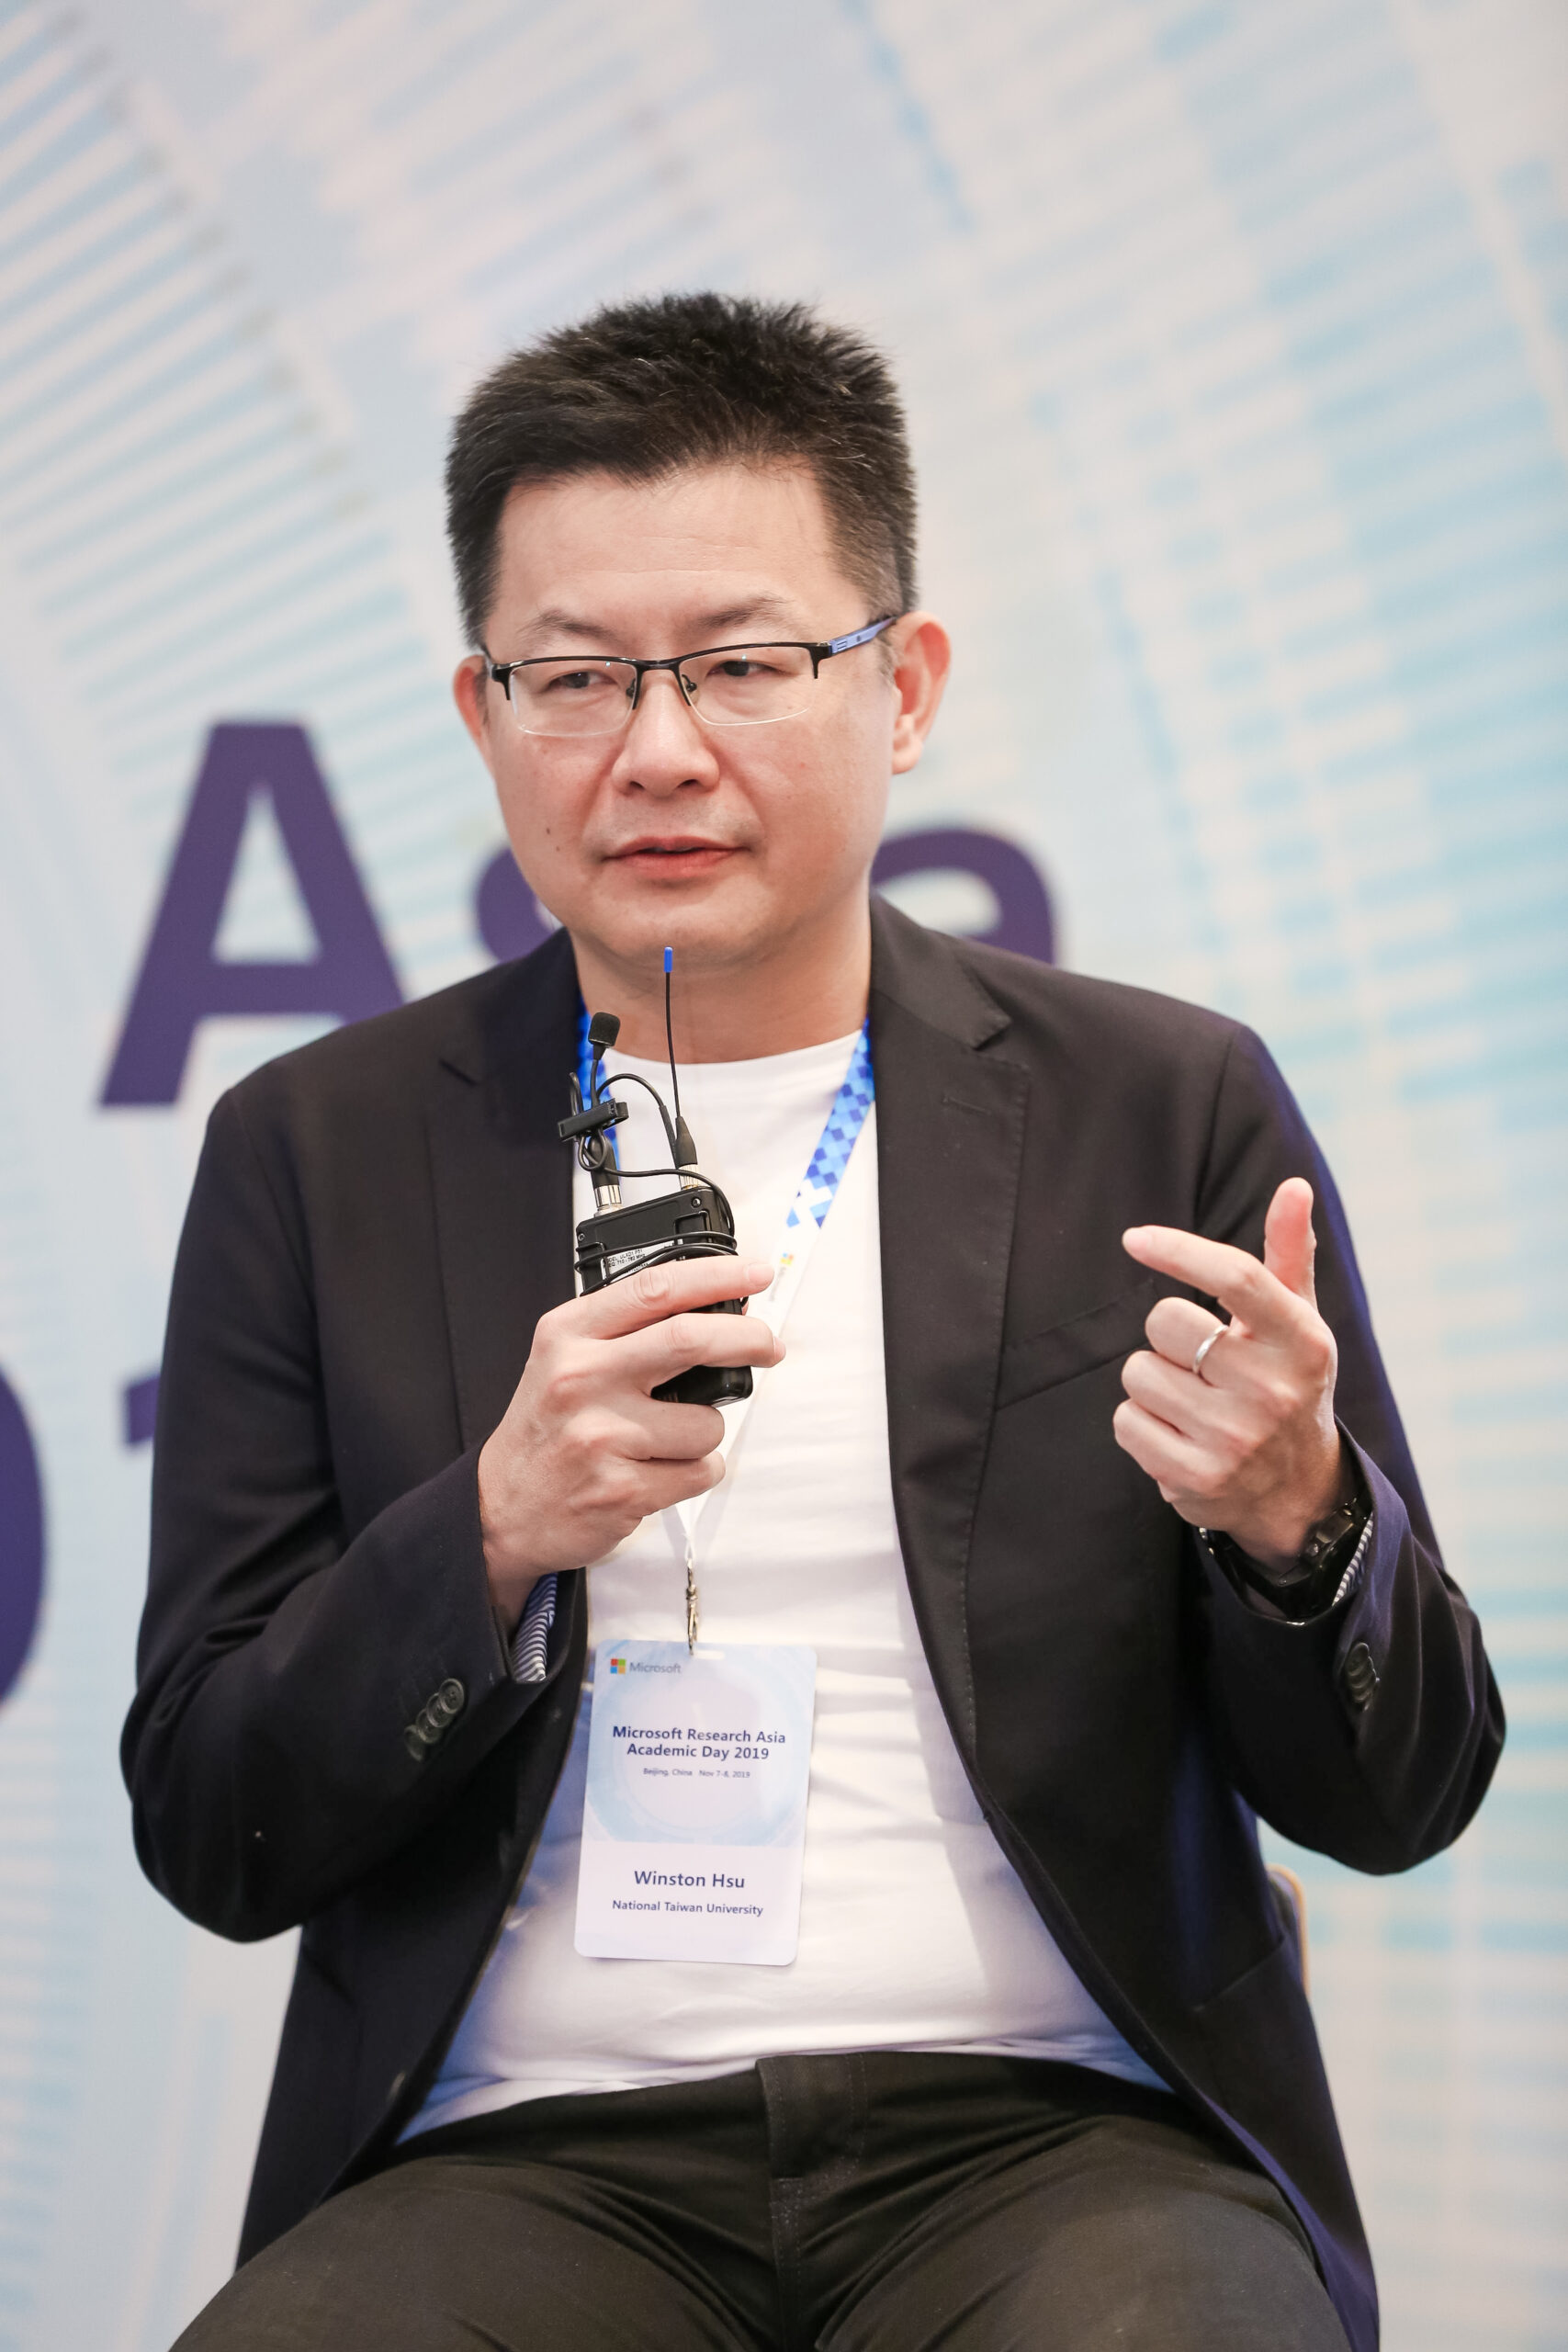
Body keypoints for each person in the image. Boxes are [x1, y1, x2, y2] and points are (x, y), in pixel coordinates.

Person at [125, 293, 1501, 2352]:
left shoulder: (1160, 1107)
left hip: (1061, 2142)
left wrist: (1303, 1528)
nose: (657, 748)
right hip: (521, 2160)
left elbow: (1401, 1795)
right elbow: (212, 1822)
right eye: (575, 677)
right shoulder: (314, 1150)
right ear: (483, 714)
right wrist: (485, 1535)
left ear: (903, 686)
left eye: (743, 665)